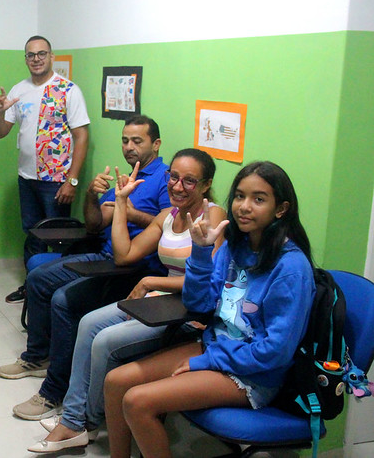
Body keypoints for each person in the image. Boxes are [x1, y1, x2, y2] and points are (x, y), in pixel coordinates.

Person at [103, 161, 315, 458]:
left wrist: (207, 361)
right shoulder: (234, 247)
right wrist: (201, 253)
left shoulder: (291, 268)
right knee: (116, 382)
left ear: (281, 209)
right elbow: (199, 304)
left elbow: (274, 352)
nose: (244, 206)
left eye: (258, 199)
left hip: (253, 374)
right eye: (239, 196)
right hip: (216, 349)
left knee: (137, 401)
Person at [29, 148, 224, 452]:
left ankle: (83, 422)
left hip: (190, 312)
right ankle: (73, 418)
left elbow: (212, 281)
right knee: (89, 323)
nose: (177, 186)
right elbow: (124, 254)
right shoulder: (166, 216)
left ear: (205, 185)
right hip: (161, 302)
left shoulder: (214, 216)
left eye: (189, 181)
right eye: (173, 177)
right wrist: (120, 202)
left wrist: (150, 281)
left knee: (105, 341)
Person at [0, 116, 171, 420]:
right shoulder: (122, 176)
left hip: (135, 269)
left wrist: (129, 211)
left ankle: (54, 394)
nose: (129, 147)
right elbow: (94, 224)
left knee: (63, 299)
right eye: (125, 140)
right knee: (37, 277)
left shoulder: (165, 180)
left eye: (137, 141)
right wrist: (92, 196)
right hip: (103, 256)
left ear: (156, 144)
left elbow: (169, 227)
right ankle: (38, 357)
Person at [0, 36, 90, 304]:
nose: (36, 59)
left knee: (59, 238)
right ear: (25, 58)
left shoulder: (68, 90)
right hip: (27, 178)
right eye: (30, 55)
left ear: (51, 56)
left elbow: (82, 136)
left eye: (41, 54)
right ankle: (32, 287)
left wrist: (73, 181)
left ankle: (61, 293)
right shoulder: (18, 90)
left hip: (57, 180)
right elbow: (0, 133)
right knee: (32, 234)